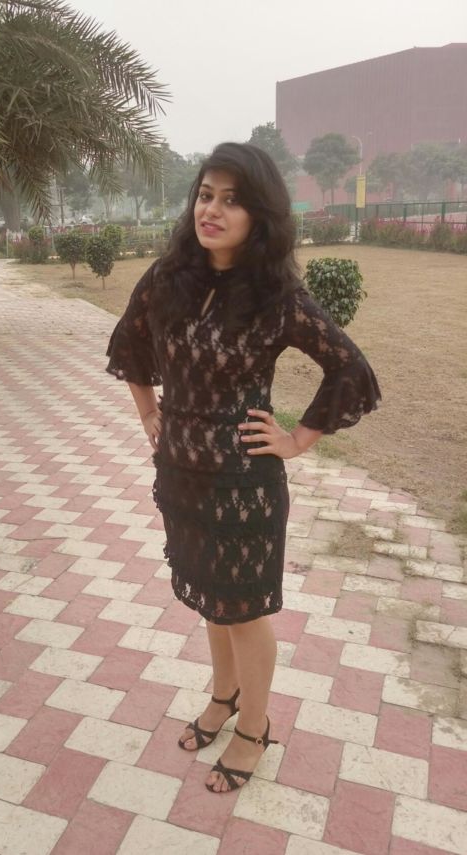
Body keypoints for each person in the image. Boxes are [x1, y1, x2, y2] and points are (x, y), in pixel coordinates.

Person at [105, 142, 380, 794]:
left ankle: (255, 726)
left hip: (243, 486)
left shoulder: (275, 296)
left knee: (244, 612)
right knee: (211, 600)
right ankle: (223, 696)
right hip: (180, 478)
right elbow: (129, 344)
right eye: (206, 195)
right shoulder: (168, 278)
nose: (213, 209)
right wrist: (149, 413)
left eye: (231, 200)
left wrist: (298, 438)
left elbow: (350, 369)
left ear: (260, 215)